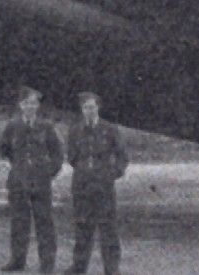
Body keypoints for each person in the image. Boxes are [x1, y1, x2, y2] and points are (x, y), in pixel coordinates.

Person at [0, 86, 63, 273]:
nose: (30, 107)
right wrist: (13, 167)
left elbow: (57, 154)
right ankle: (17, 260)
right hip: (18, 182)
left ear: (38, 106)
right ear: (21, 105)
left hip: (41, 182)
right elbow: (4, 150)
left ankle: (47, 263)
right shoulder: (12, 126)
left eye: (34, 103)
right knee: (19, 222)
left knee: (44, 222)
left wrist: (48, 172)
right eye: (26, 103)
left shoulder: (46, 127)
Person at [64, 92, 129, 275]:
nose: (89, 111)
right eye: (85, 108)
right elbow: (72, 156)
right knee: (82, 226)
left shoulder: (109, 129)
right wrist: (85, 170)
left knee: (108, 227)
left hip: (103, 185)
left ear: (98, 107)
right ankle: (79, 266)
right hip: (82, 185)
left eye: (92, 107)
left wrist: (112, 173)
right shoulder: (75, 130)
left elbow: (122, 155)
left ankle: (111, 268)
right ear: (81, 109)